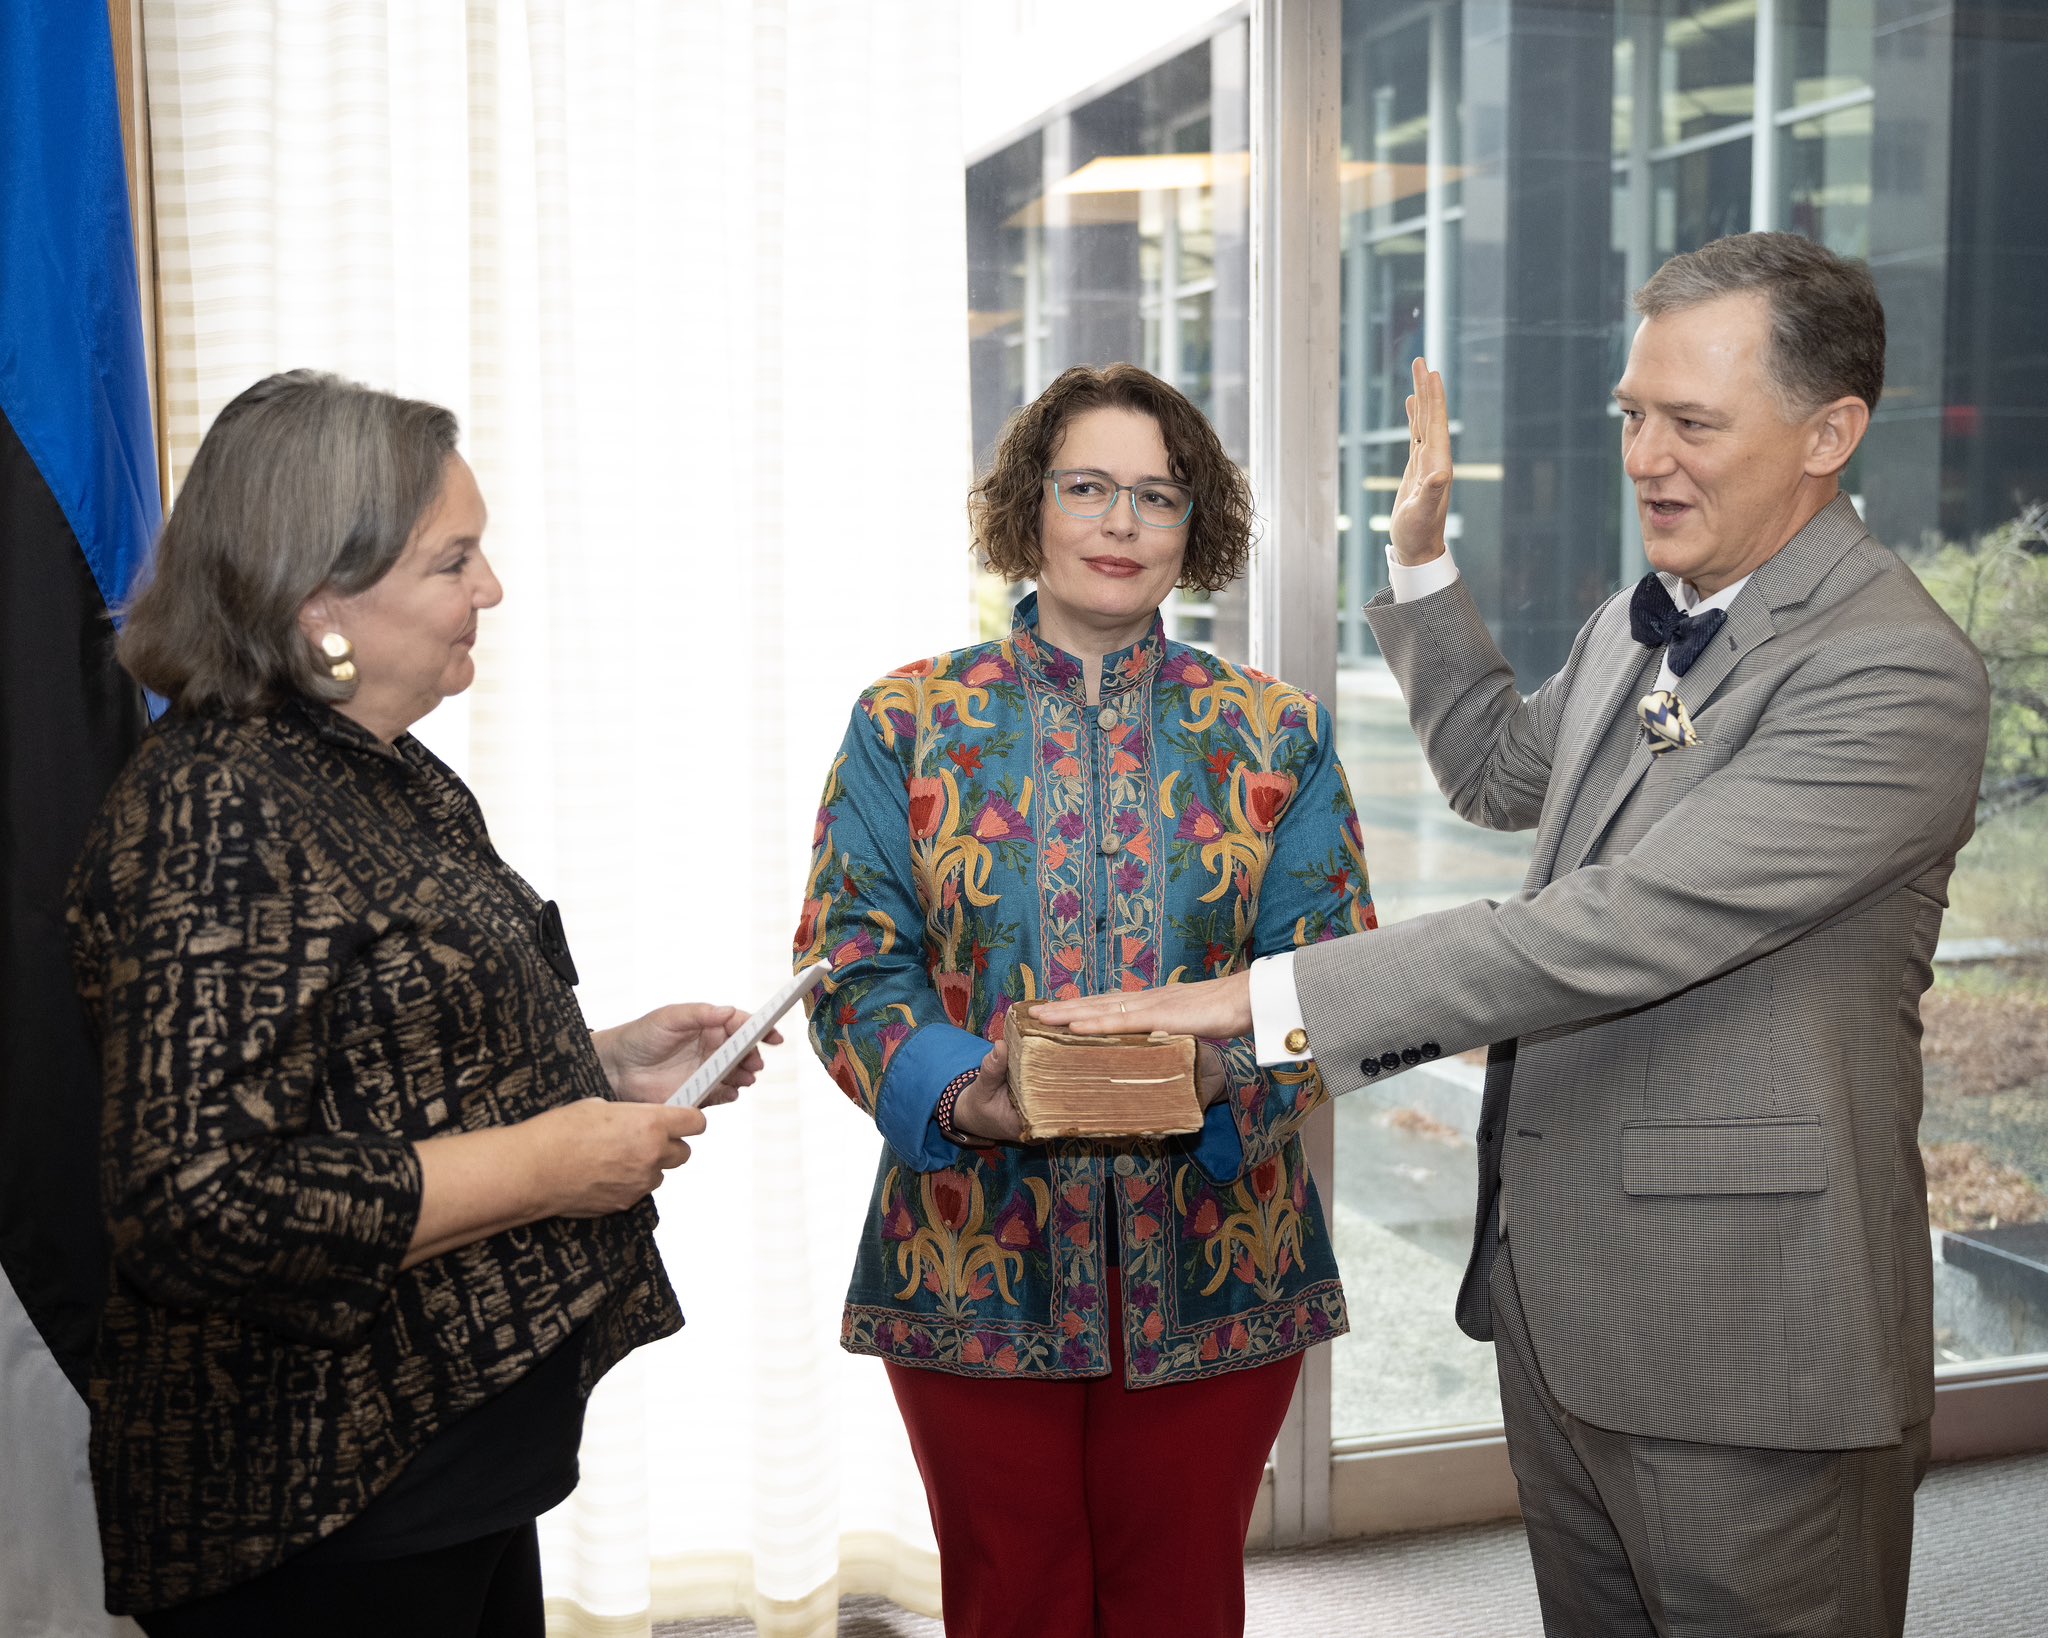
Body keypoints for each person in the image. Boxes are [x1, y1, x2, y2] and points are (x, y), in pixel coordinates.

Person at [1042, 233, 1991, 1635]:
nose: (1646, 455)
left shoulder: (1895, 672)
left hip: (1748, 1337)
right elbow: (1498, 771)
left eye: (1693, 423)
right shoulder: (1636, 621)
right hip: (1567, 1310)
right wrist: (1420, 563)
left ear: (1828, 433)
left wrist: (1250, 1000)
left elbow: (1610, 929)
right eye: (1630, 414)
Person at [67, 371, 774, 1636]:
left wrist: (598, 1068)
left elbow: (373, 1052)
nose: (490, 591)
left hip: (439, 1467)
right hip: (313, 1499)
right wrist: (550, 1164)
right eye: (456, 561)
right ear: (317, 596)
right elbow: (195, 1205)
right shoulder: (218, 809)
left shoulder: (377, 766)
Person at [794, 363, 1374, 1636]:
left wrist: (1230, 1076)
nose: (1119, 522)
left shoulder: (1275, 733)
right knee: (1012, 1602)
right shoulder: (906, 721)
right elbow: (851, 958)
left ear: (1194, 528)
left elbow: (1330, 971)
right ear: (1030, 507)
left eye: (1156, 496)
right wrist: (966, 1095)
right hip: (969, 1249)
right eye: (1087, 487)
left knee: (1181, 1603)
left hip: (1222, 1247)